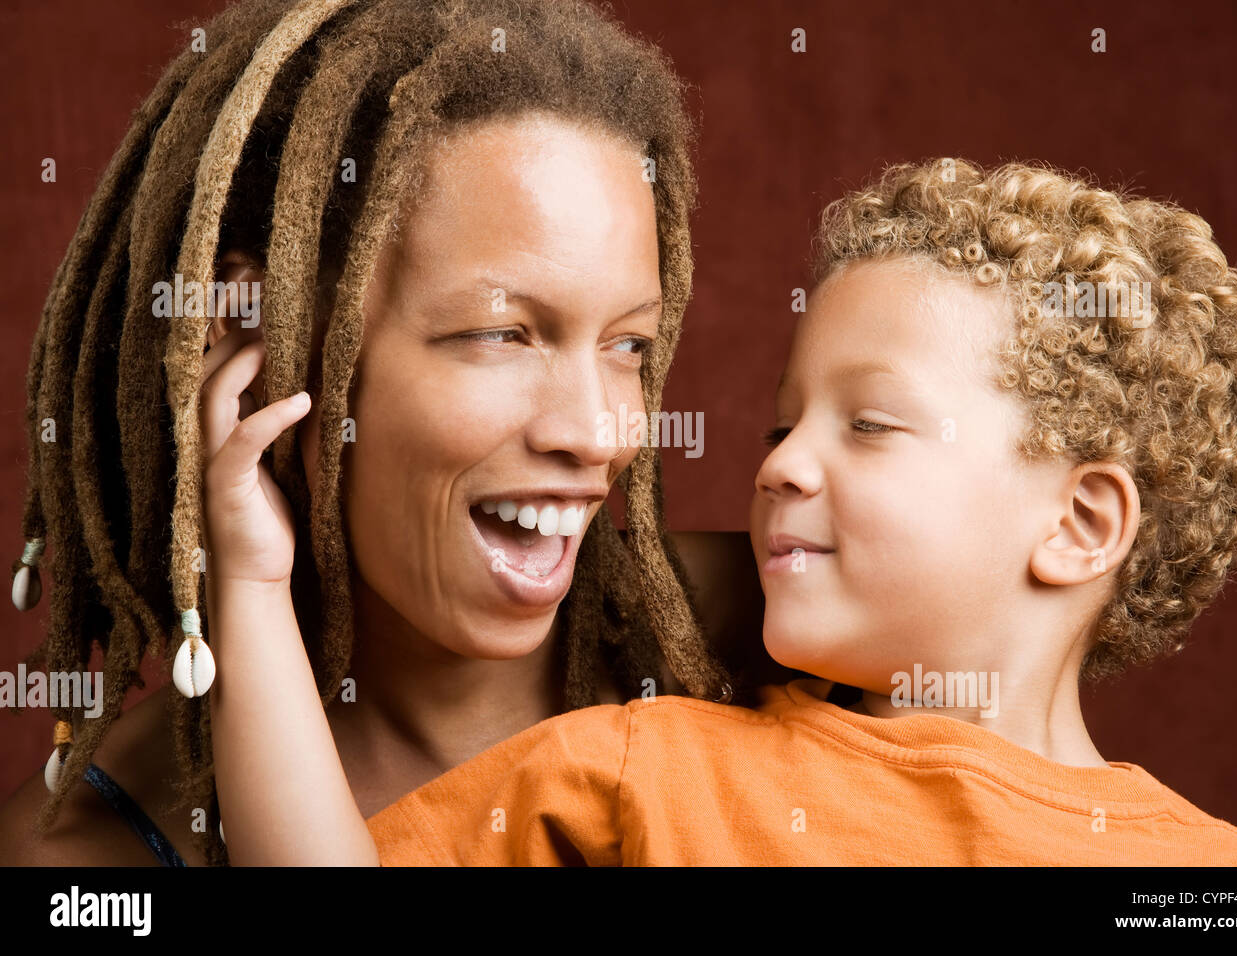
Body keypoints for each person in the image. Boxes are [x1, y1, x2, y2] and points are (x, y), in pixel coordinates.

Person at [218, 159, 1237, 865]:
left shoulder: (1207, 872)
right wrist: (254, 587)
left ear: (1081, 523)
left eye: (867, 425)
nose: (781, 467)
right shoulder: (648, 771)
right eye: (781, 430)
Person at [0, 0, 746, 867]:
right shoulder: (85, 861)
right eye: (502, 334)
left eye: (629, 344)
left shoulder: (756, 631)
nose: (598, 433)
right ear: (259, 332)